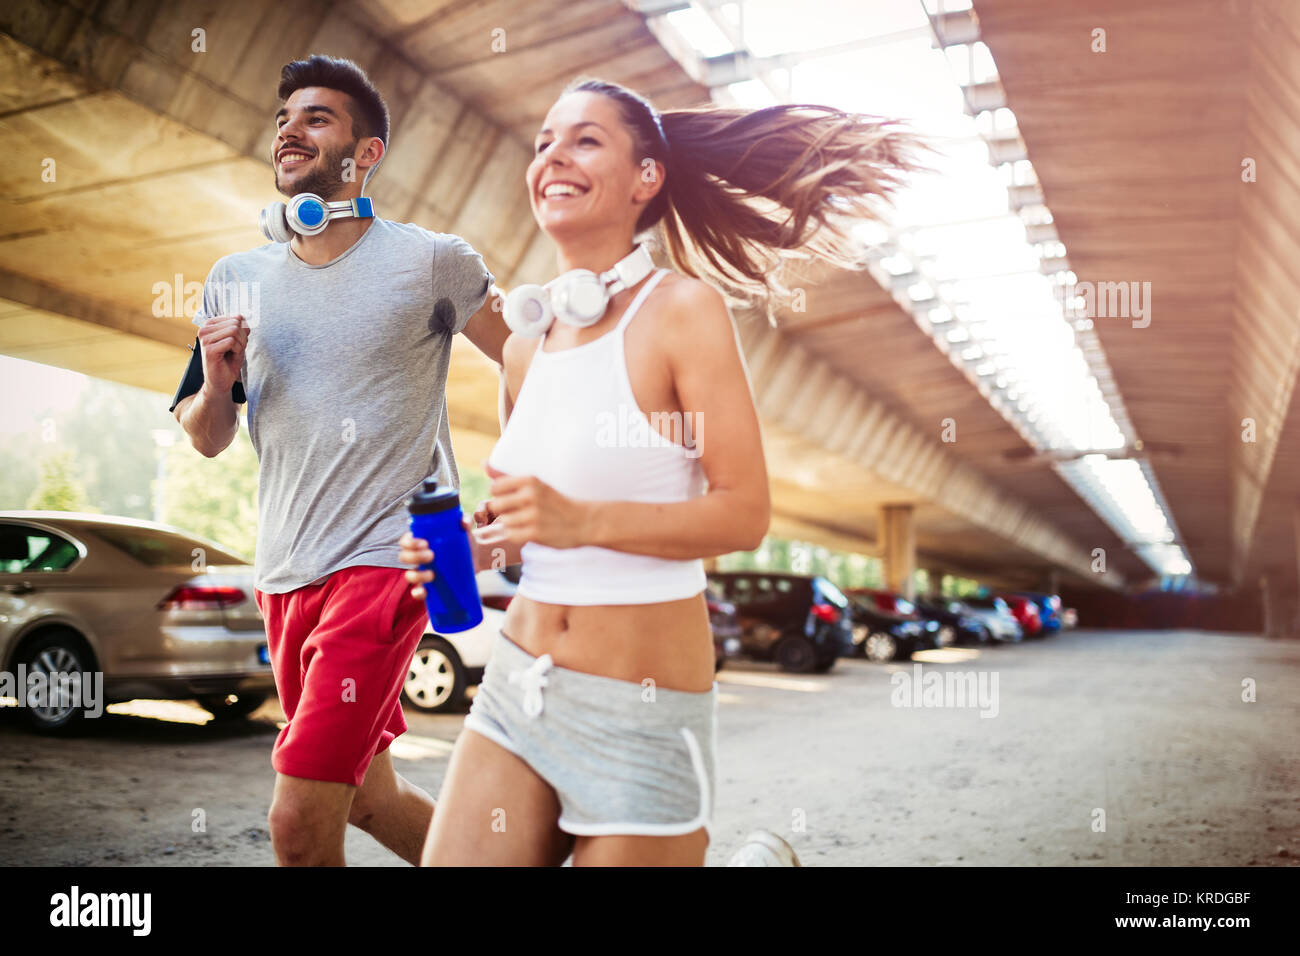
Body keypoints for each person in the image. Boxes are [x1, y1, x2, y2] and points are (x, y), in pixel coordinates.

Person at [400, 76, 918, 866]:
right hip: (515, 691)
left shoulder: (681, 312)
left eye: (584, 140)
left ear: (647, 179)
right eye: (544, 143)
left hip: (642, 710)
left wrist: (584, 520)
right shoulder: (522, 347)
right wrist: (477, 550)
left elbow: (743, 513)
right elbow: (521, 530)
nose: (553, 158)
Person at [171, 54, 507, 866]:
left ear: (366, 155)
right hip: (286, 572)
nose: (291, 128)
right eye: (286, 117)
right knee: (366, 796)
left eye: (317, 118)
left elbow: (530, 359)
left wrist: (514, 488)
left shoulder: (432, 261)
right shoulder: (234, 279)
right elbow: (205, 434)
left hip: (388, 562)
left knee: (296, 821)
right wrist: (218, 385)